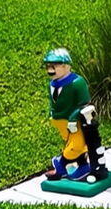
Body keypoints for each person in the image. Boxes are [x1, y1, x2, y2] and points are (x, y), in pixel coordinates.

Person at [44, 47, 103, 181]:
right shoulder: (52, 84)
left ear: (66, 66)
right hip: (60, 121)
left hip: (75, 122)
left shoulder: (77, 83)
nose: (50, 70)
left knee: (75, 146)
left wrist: (73, 118)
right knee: (75, 145)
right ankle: (83, 166)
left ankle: (60, 164)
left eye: (54, 66)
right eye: (48, 66)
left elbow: (85, 104)